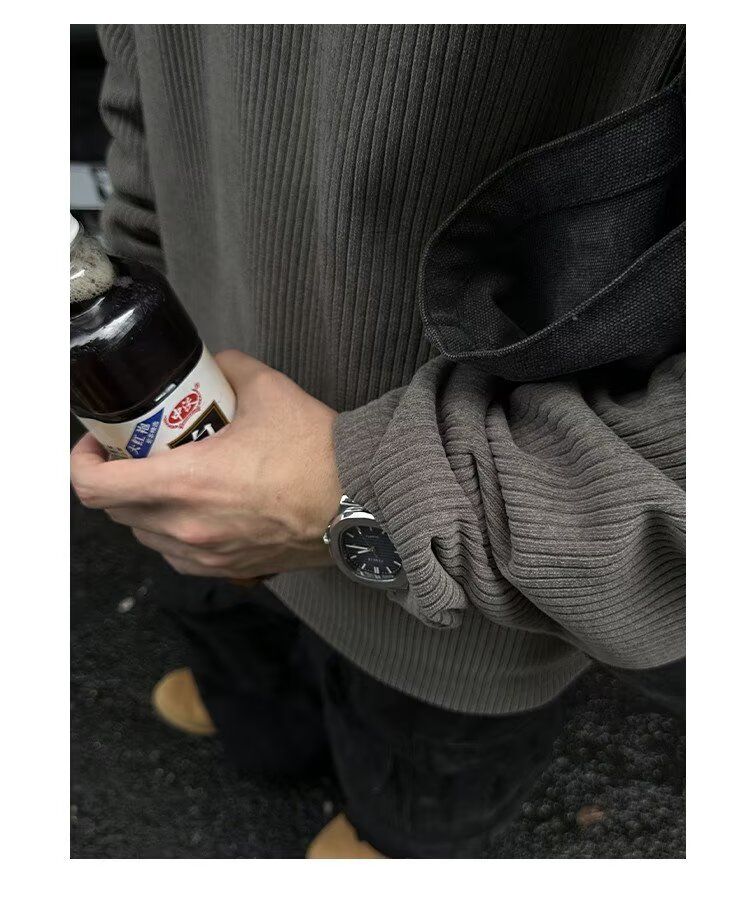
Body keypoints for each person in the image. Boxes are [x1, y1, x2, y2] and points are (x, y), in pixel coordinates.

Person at [70, 24, 686, 858]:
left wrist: (362, 500)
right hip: (199, 425)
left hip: (456, 593)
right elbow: (145, 62)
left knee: (421, 769)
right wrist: (139, 252)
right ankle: (269, 723)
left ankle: (391, 842)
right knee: (242, 663)